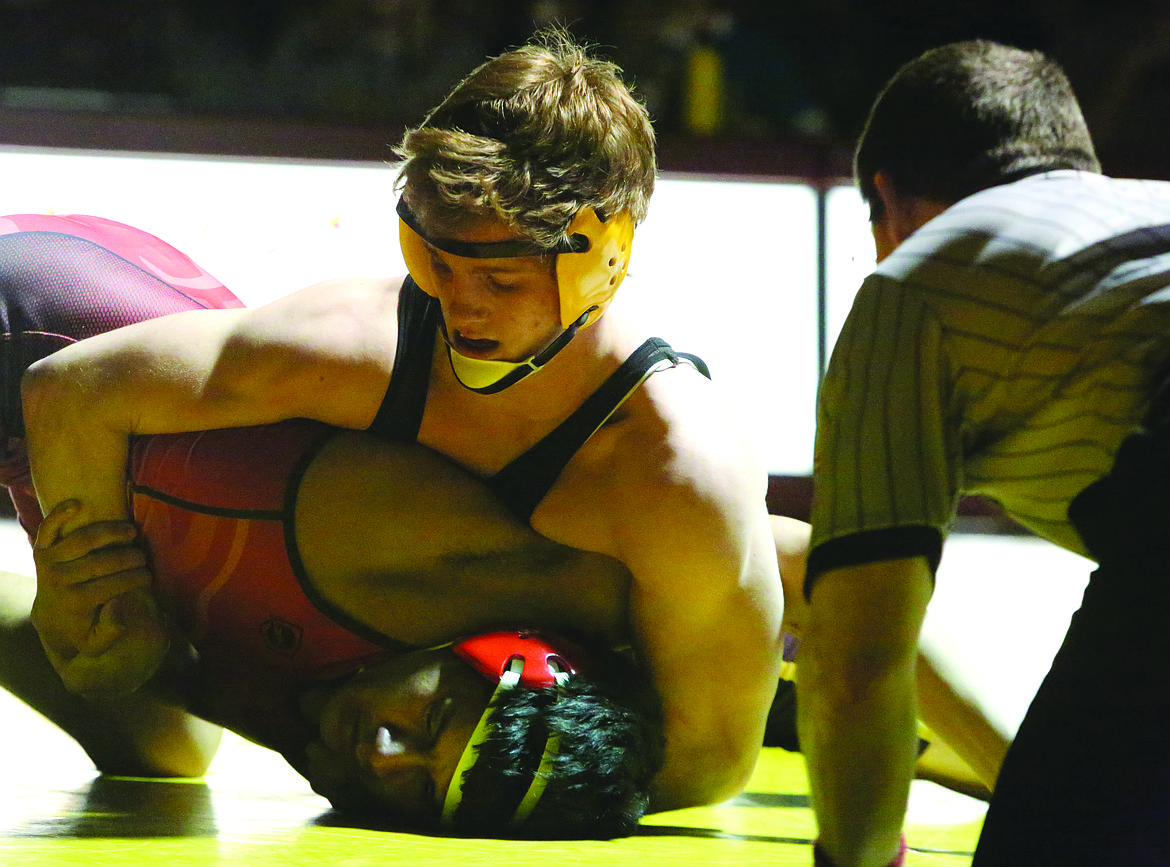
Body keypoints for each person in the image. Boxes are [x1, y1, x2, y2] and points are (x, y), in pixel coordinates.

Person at [19, 28, 784, 811]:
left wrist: (488, 792)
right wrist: (97, 601)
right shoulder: (367, 338)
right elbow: (69, 390)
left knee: (164, 751)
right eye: (439, 262)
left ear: (607, 250)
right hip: (44, 345)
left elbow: (707, 762)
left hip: (221, 532)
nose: (462, 304)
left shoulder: (673, 467)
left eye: (501, 277)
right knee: (138, 685)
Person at [0, 211, 660, 838]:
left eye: (423, 790)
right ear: (490, 648)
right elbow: (68, 386)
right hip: (47, 328)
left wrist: (89, 630)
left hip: (83, 403)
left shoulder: (347, 753)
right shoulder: (428, 549)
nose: (382, 754)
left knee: (160, 742)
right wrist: (83, 589)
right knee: (112, 646)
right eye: (429, 720)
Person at [800, 39, 1170, 866]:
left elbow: (859, 657)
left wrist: (856, 858)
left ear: (886, 200)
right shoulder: (1147, 206)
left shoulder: (914, 285)